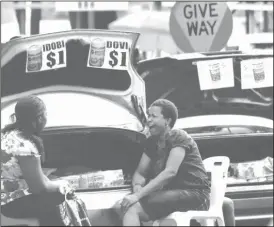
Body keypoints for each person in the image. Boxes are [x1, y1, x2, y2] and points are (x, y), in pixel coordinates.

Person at [117, 99, 211, 226]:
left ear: (168, 121)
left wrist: (138, 196)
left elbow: (170, 172)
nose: (148, 119)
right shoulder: (152, 142)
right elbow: (140, 173)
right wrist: (137, 187)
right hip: (171, 194)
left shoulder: (179, 136)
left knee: (133, 206)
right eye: (148, 115)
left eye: (153, 116)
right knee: (129, 207)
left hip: (195, 193)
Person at [1, 95, 72, 224]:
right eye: (45, 115)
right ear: (39, 118)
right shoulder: (24, 144)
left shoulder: (6, 135)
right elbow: (39, 188)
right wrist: (63, 185)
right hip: (11, 204)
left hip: (5, 200)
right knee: (58, 200)